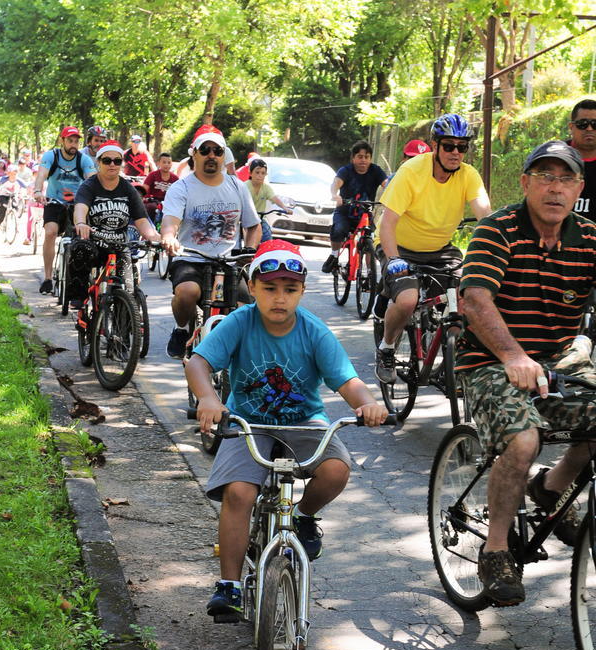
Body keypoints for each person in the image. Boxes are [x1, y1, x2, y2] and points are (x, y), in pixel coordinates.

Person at [184, 238, 389, 619]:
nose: (280, 299)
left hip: (304, 422)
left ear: (302, 292)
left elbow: (346, 381)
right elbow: (198, 363)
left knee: (336, 469)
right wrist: (209, 399)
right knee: (240, 494)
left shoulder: (314, 330)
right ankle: (228, 585)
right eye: (270, 289)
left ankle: (304, 516)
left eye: (290, 290)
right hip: (248, 421)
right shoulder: (239, 322)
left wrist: (367, 404)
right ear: (252, 287)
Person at [457, 140, 596, 606]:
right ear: (525, 183)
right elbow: (475, 298)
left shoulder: (590, 237)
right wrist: (514, 356)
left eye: (565, 179)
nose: (554, 188)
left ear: (579, 187)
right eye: (545, 176)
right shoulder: (498, 231)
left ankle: (552, 485)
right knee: (523, 439)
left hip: (559, 364)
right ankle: (495, 550)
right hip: (490, 361)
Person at [374, 113, 492, 383]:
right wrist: (393, 260)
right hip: (399, 246)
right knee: (406, 300)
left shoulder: (468, 175)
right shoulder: (412, 172)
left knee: (471, 298)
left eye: (462, 147)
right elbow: (388, 223)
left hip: (440, 248)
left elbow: (485, 216)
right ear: (435, 145)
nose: (455, 153)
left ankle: (455, 360)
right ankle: (387, 348)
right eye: (449, 145)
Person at [159, 124, 261, 359]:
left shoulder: (237, 185)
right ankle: (181, 329)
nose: (212, 155)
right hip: (191, 258)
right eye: (205, 150)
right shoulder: (181, 187)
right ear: (194, 153)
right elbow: (170, 221)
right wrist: (168, 237)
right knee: (186, 292)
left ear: (224, 155)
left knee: (246, 310)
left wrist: (250, 250)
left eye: (217, 150)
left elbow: (253, 226)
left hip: (229, 261)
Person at [67, 142, 159, 308]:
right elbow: (80, 207)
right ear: (98, 162)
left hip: (119, 246)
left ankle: (123, 328)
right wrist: (81, 223)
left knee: (128, 292)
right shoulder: (89, 186)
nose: (112, 164)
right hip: (94, 244)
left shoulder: (128, 189)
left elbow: (141, 219)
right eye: (107, 160)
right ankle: (79, 297)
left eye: (117, 161)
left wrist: (155, 237)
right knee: (79, 248)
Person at [32, 127, 95, 294]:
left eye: (76, 141)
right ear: (63, 141)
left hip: (78, 203)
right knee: (50, 232)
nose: (73, 144)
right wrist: (38, 191)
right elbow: (41, 175)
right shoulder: (51, 156)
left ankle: (81, 279)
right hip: (54, 201)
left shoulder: (84, 160)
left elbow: (92, 180)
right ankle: (47, 278)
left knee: (82, 239)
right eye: (70, 140)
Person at [322, 141, 389, 274]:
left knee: (371, 238)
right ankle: (334, 255)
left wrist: (393, 196)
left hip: (365, 214)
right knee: (339, 230)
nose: (363, 160)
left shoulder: (376, 171)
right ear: (353, 158)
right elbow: (336, 183)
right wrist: (335, 195)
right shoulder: (346, 171)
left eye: (367, 157)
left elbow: (386, 184)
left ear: (370, 158)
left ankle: (370, 272)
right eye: (360, 156)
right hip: (345, 212)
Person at [245, 158, 292, 242]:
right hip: (245, 219)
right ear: (250, 172)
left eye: (263, 173)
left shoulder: (266, 188)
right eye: (257, 172)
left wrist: (285, 208)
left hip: (260, 219)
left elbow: (275, 199)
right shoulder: (244, 186)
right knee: (245, 236)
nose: (260, 175)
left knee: (267, 235)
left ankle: (265, 252)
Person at [567, 98, 596, 222]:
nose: (589, 129)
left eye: (595, 124)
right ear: (571, 127)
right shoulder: (554, 158)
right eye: (583, 124)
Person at [142, 152, 179, 223]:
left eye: (169, 162)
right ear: (158, 163)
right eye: (164, 162)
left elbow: (178, 193)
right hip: (153, 201)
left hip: (168, 202)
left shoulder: (175, 178)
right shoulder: (152, 175)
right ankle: (150, 227)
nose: (166, 165)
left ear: (171, 164)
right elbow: (144, 189)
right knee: (151, 207)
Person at [0, 166, 27, 231]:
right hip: (3, 195)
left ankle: (16, 224)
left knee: (15, 206)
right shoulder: (4, 179)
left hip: (13, 195)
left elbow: (27, 186)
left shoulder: (18, 180)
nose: (14, 175)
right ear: (8, 173)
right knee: (2, 212)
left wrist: (24, 193)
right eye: (12, 173)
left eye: (15, 174)